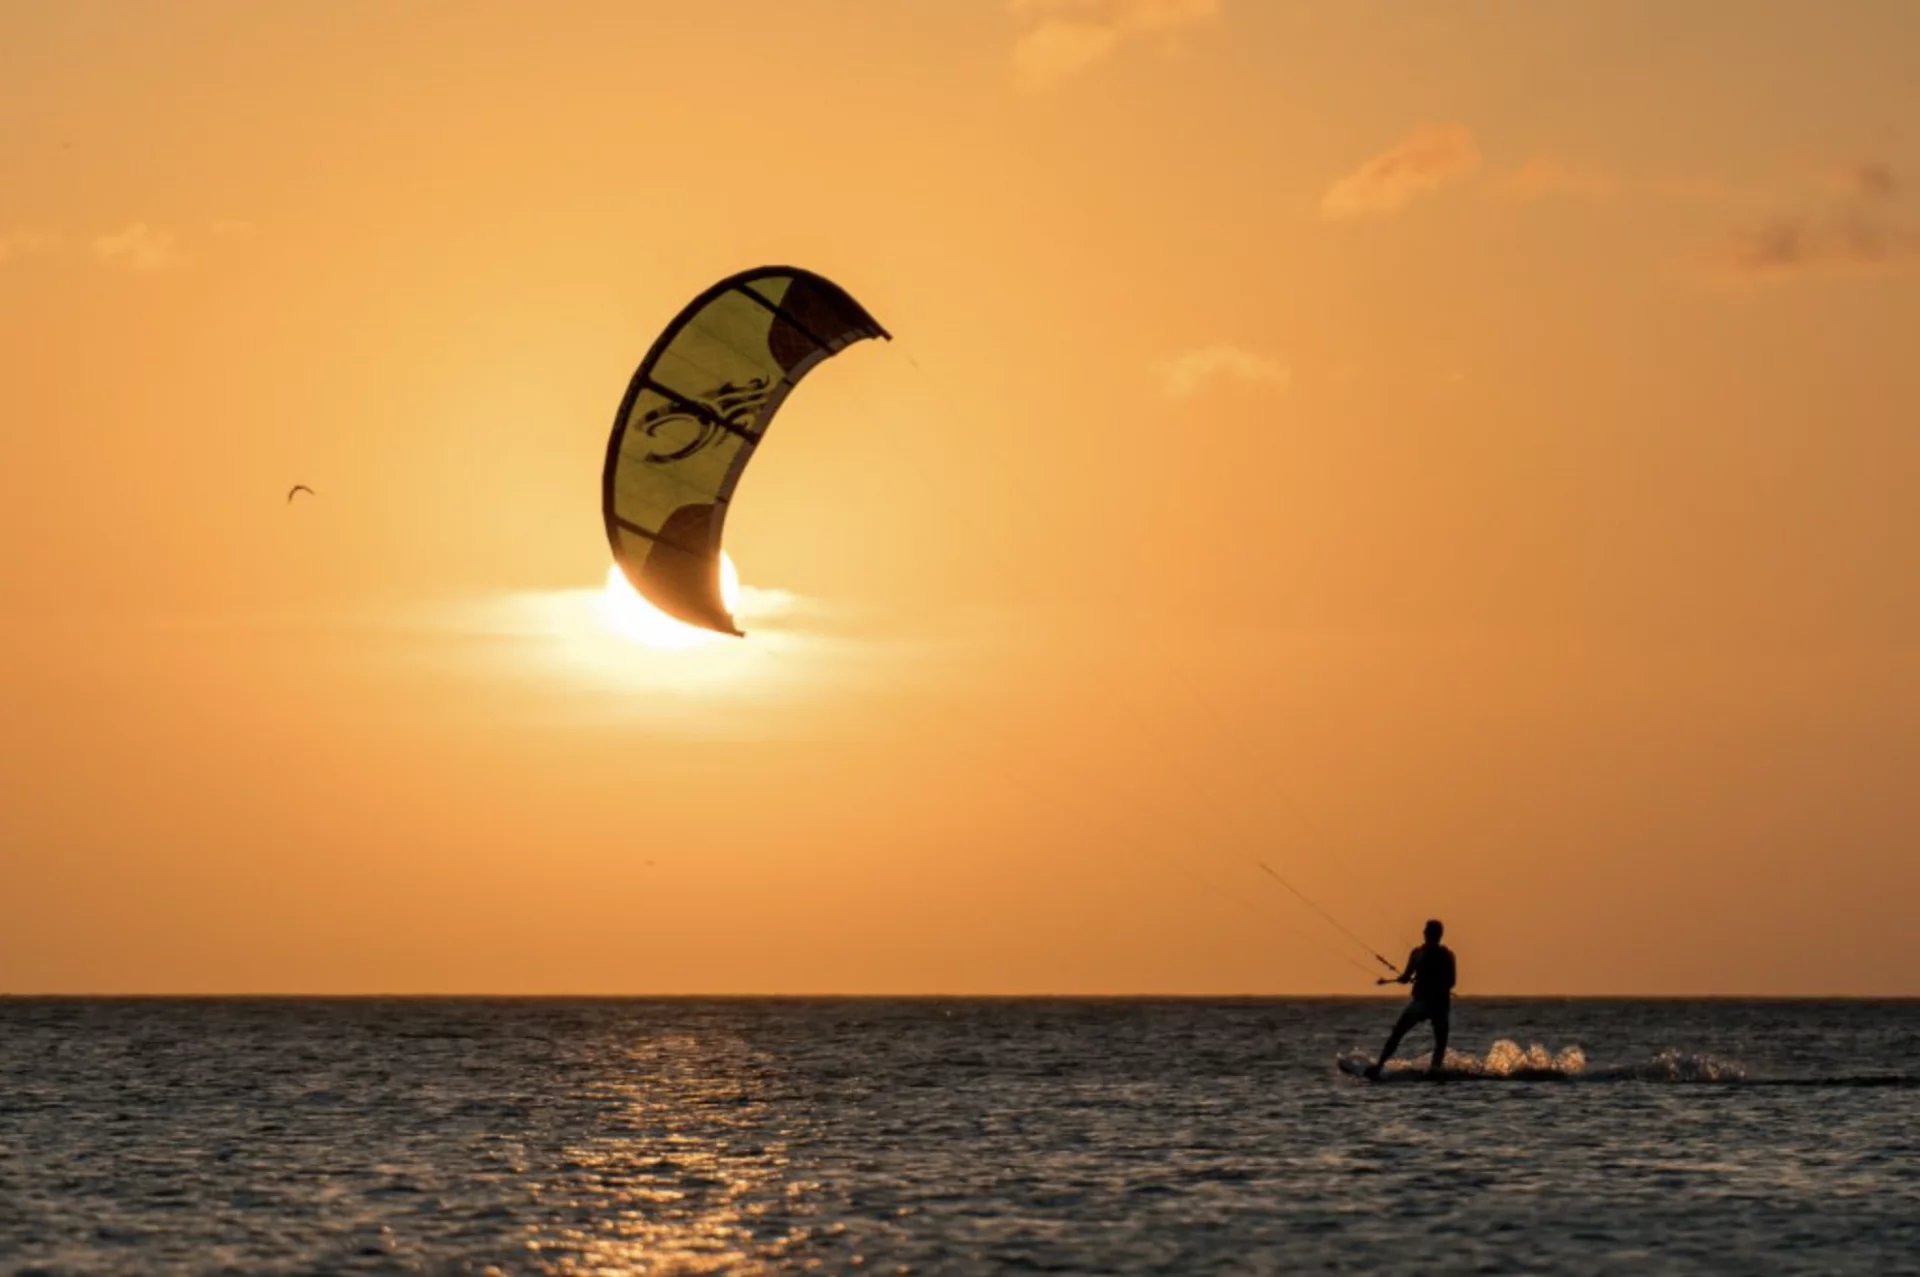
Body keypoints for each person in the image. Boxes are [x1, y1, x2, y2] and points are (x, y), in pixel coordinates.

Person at [1365, 919, 1456, 1079]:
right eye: (1426, 932)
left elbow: (1451, 981)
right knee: (1398, 1033)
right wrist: (1405, 978)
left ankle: (1435, 1070)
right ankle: (1379, 1067)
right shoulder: (1418, 954)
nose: (1425, 934)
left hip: (1434, 1004)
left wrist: (1425, 981)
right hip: (1428, 1003)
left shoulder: (1445, 955)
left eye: (1428, 932)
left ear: (1436, 935)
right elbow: (1408, 976)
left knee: (1437, 1042)